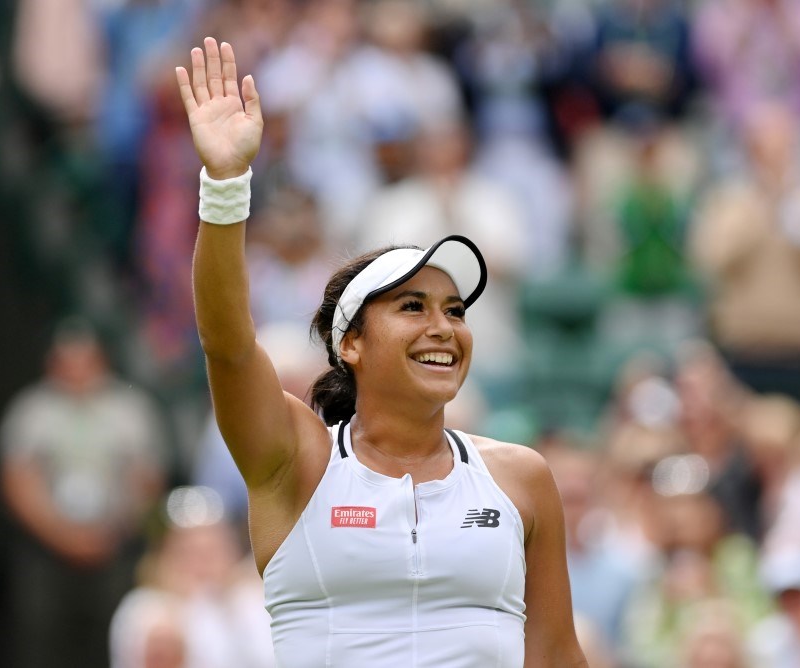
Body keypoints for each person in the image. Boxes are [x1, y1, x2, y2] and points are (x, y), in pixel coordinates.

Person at [175, 37, 587, 666]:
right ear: (352, 344)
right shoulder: (296, 459)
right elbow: (227, 344)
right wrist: (226, 184)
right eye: (413, 307)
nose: (444, 327)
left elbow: (556, 655)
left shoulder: (522, 478)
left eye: (454, 311)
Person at [0, 318, 169, 668]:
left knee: (111, 640)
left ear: (103, 360)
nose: (76, 370)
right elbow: (17, 482)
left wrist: (113, 532)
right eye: (66, 360)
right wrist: (64, 537)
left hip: (115, 547)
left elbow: (149, 480)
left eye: (85, 359)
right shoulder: (30, 411)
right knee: (43, 642)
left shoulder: (131, 410)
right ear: (51, 364)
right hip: (45, 553)